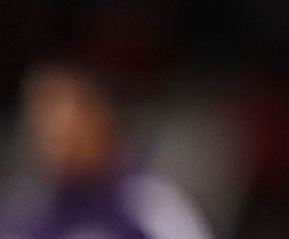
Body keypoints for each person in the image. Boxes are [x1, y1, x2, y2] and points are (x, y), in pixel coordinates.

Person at [1, 62, 216, 239]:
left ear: (98, 117)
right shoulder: (27, 208)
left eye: (59, 111)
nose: (48, 128)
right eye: (37, 115)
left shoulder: (149, 203)